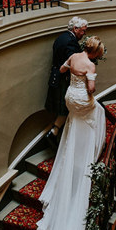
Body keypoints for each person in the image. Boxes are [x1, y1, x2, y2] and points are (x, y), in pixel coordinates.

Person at [36, 36, 107, 230]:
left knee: (80, 116)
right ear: (96, 53)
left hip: (69, 98)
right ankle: (87, 148)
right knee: (97, 110)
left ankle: (71, 143)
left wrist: (73, 78)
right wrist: (89, 81)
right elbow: (91, 90)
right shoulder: (91, 65)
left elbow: (63, 68)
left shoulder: (75, 56)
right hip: (81, 100)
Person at [45, 16, 88, 144]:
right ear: (75, 29)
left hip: (56, 77)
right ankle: (54, 132)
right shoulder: (70, 42)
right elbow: (73, 62)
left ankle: (55, 132)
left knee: (65, 108)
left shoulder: (61, 37)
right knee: (66, 107)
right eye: (83, 31)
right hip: (64, 79)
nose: (84, 33)